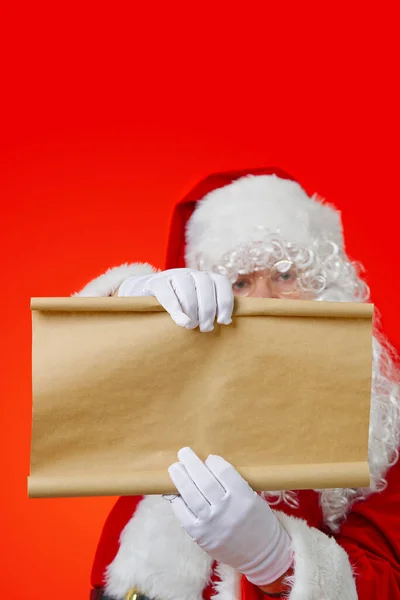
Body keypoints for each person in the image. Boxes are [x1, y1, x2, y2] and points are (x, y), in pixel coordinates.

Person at [77, 167, 400, 600]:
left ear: (325, 285)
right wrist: (133, 303)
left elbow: (387, 579)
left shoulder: (385, 412)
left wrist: (276, 560)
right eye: (240, 282)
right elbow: (83, 387)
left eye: (285, 275)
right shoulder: (176, 366)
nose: (264, 302)